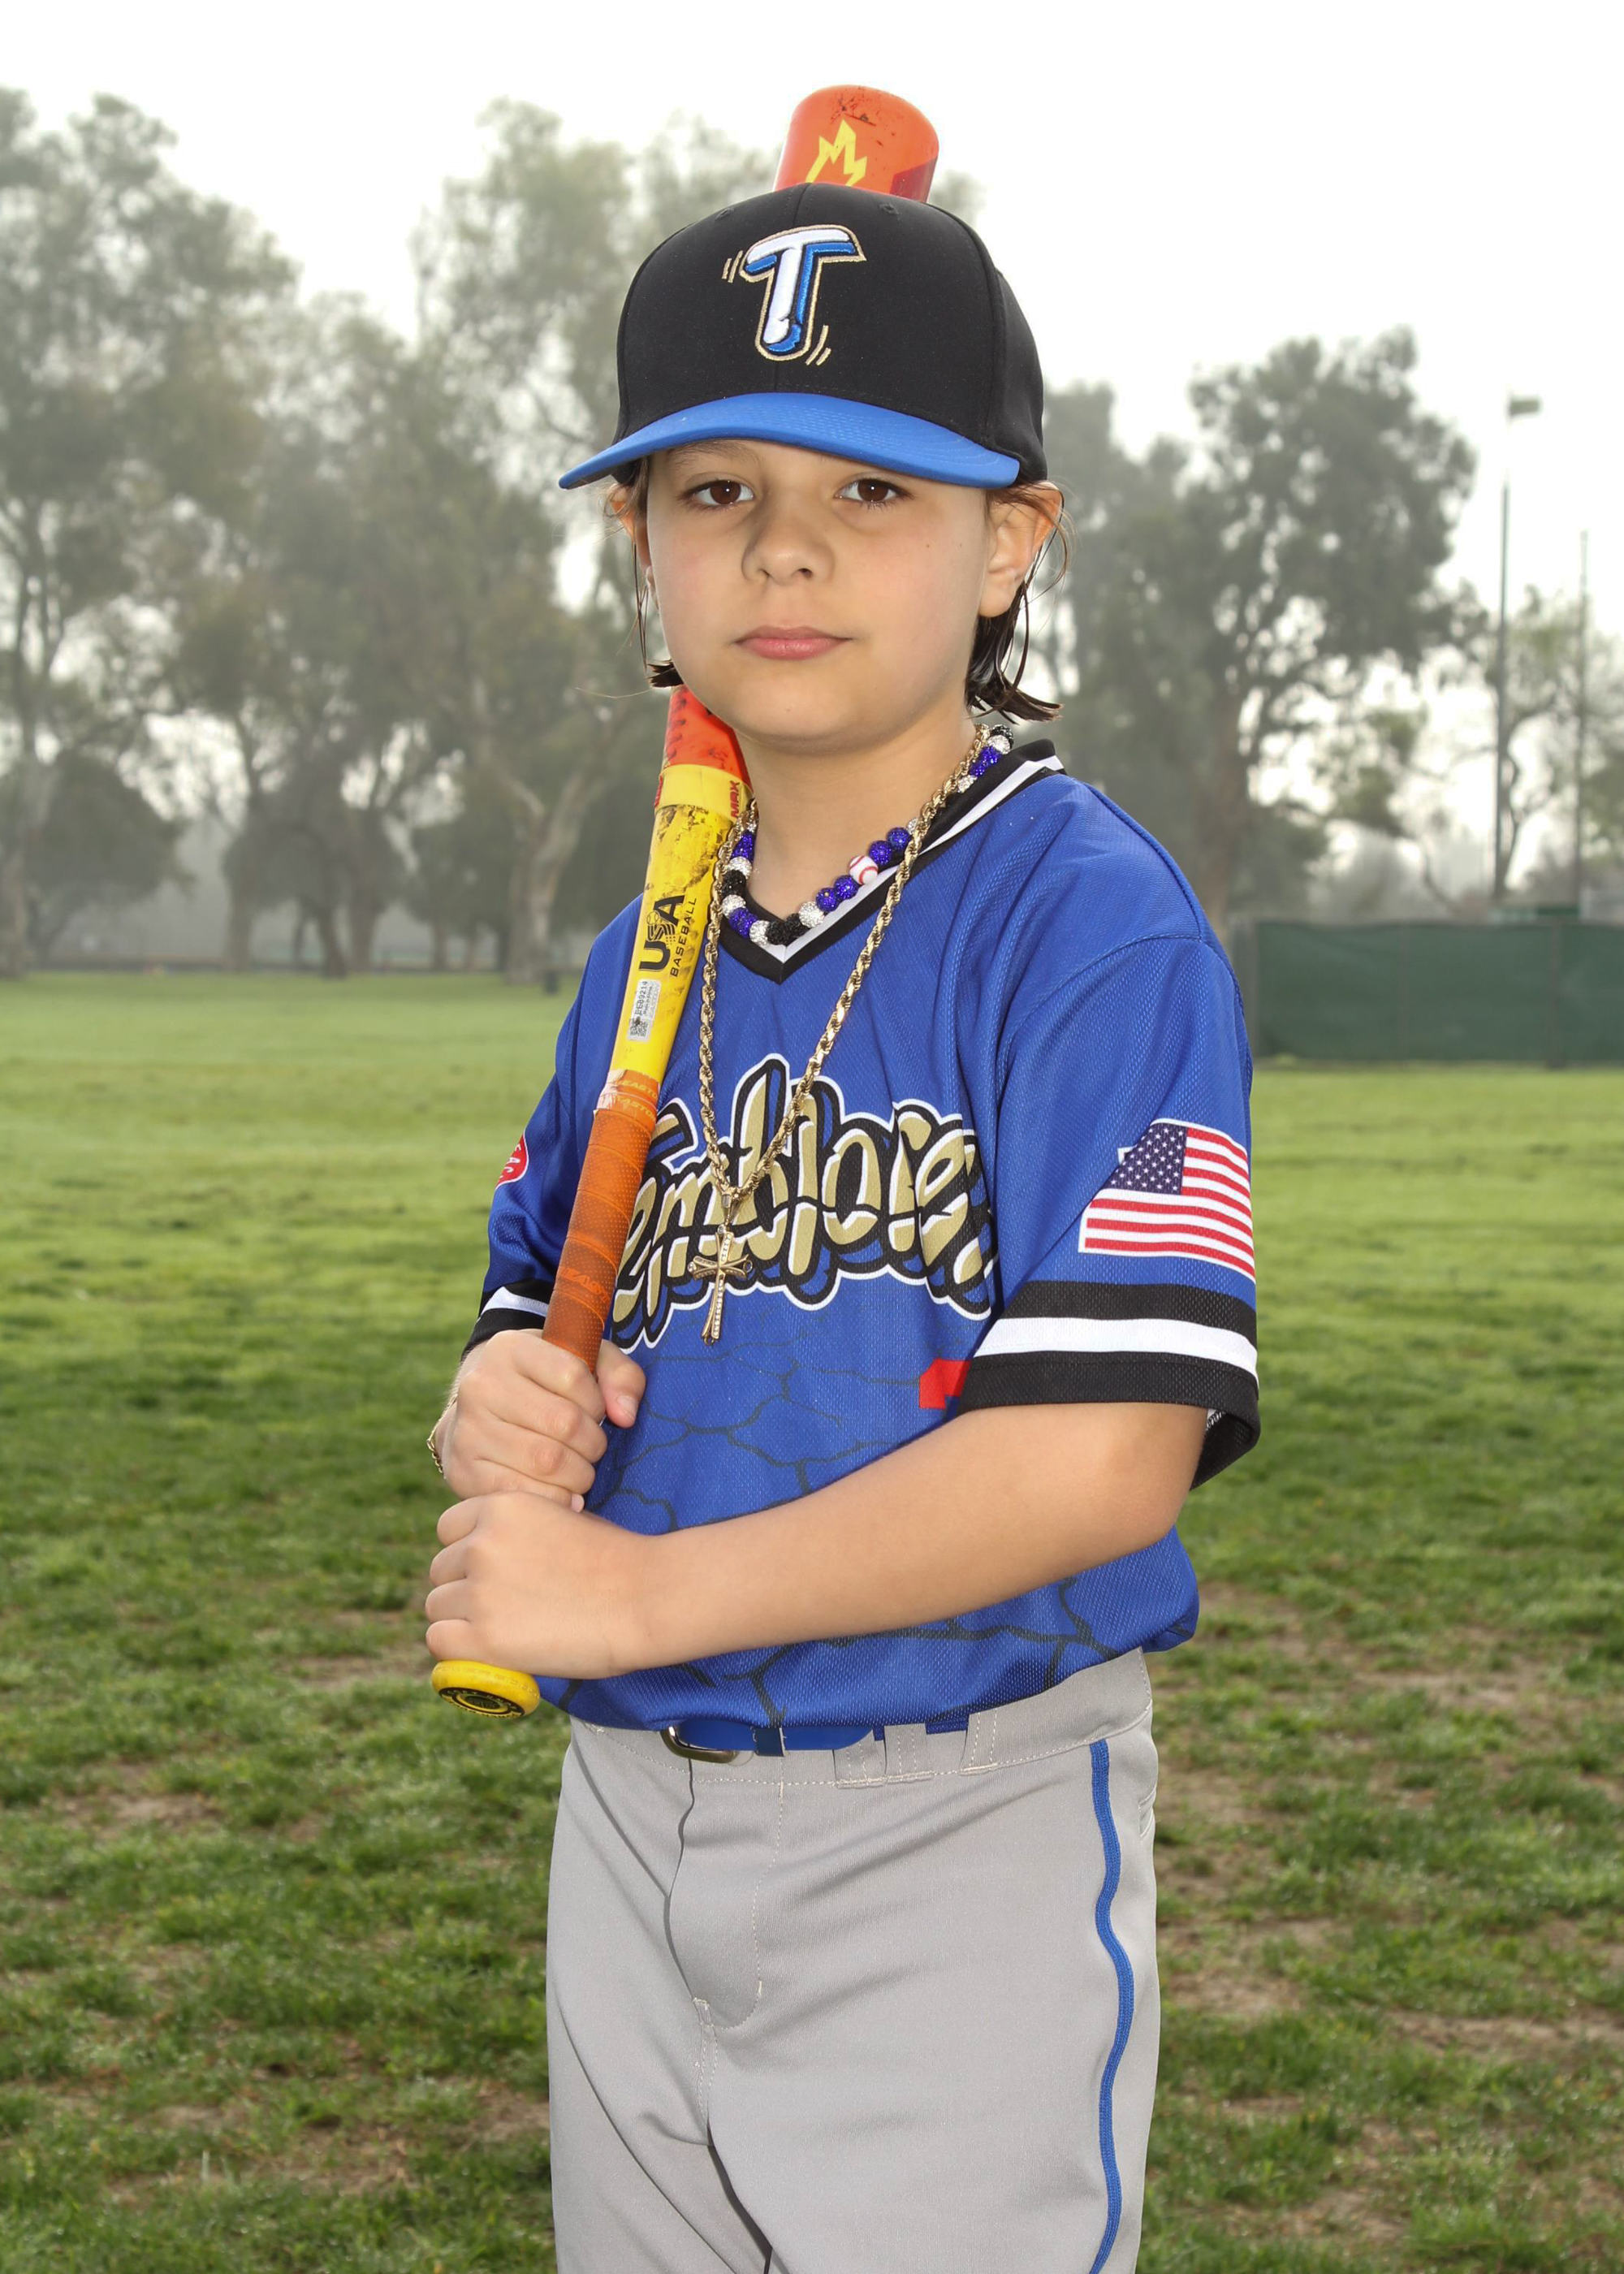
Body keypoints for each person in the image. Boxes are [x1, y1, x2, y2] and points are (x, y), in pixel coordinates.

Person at [424, 181, 1258, 2274]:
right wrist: (501, 1399)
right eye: (717, 489)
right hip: (630, 1819)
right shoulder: (641, 955)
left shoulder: (1088, 924)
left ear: (1012, 542)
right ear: (641, 540)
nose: (783, 548)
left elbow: (1105, 1453)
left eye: (872, 490)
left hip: (954, 1822)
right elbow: (540, 1310)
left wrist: (632, 1595)